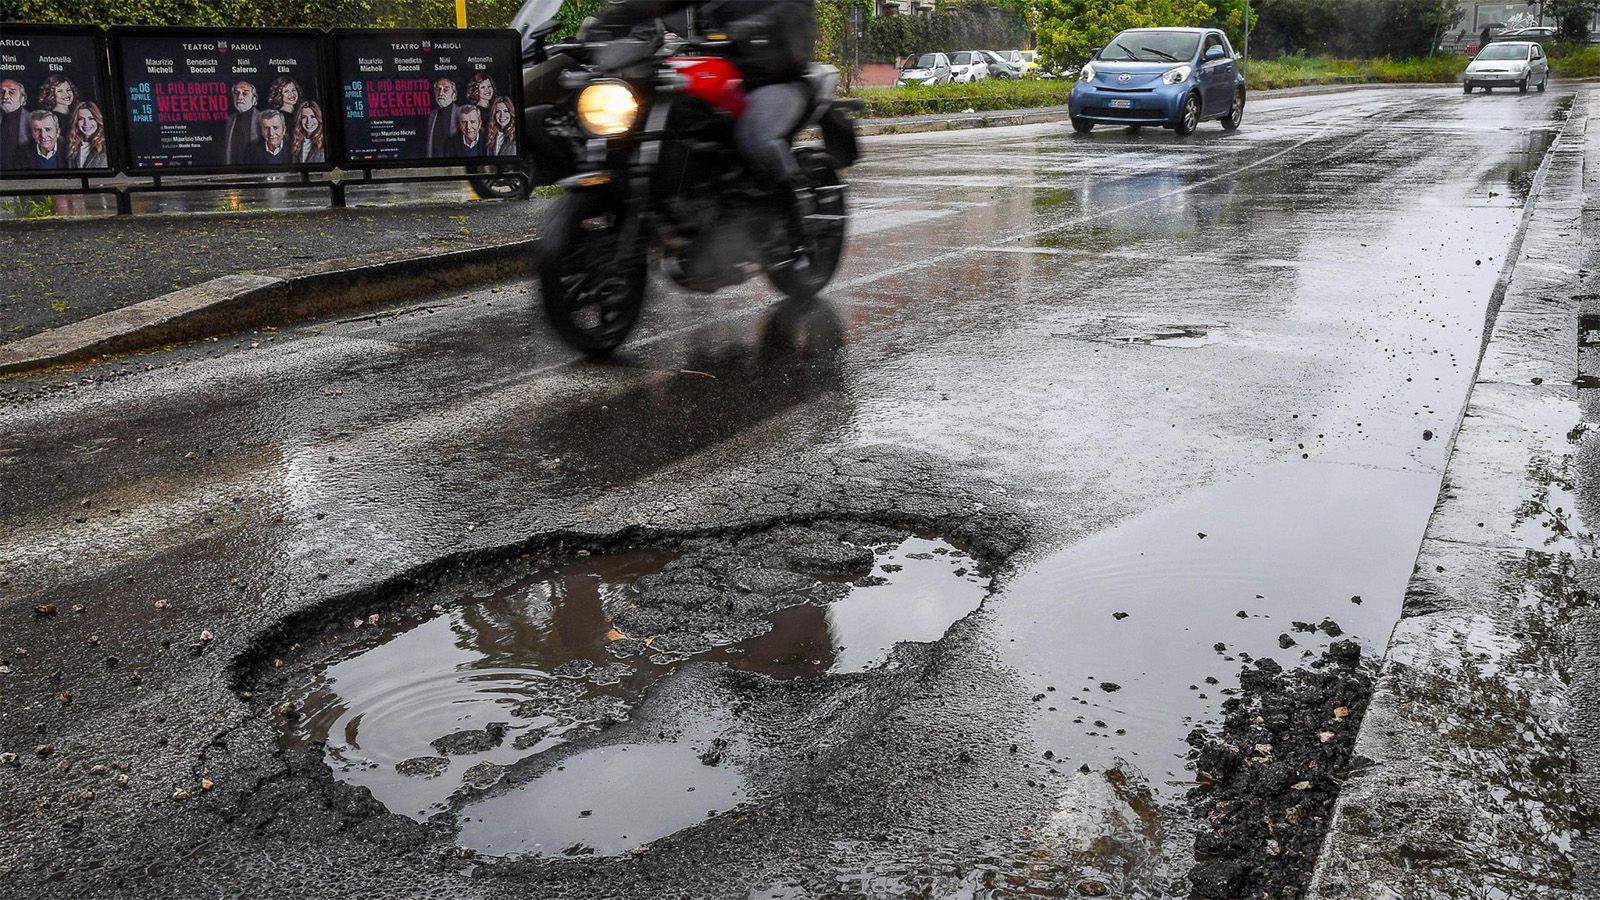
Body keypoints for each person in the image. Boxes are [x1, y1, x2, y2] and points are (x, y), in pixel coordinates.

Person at [225, 81, 262, 165]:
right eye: (236, 93)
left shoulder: (262, 118)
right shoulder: (230, 120)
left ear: (254, 98)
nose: (239, 97)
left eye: (245, 93)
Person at [66, 100, 107, 169]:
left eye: (91, 118)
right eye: (81, 119)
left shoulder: (106, 145)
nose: (86, 123)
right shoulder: (72, 145)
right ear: (76, 122)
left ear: (97, 120)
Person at [426, 78, 460, 157]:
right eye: (438, 89)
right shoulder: (432, 115)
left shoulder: (461, 113)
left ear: (454, 94)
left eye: (446, 90)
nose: (441, 93)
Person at [0, 79, 29, 170]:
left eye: (11, 92)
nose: (5, 97)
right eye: (2, 92)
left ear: (22, 98)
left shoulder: (33, 121)